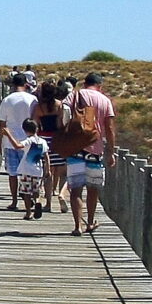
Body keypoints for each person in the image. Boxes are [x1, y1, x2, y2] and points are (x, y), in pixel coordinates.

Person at [65, 72, 119, 234]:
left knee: (76, 189)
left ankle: (77, 226)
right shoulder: (105, 100)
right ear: (100, 85)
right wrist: (111, 151)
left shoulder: (74, 96)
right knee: (93, 188)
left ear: (84, 83)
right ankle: (89, 222)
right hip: (95, 149)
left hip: (75, 148)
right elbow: (109, 128)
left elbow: (63, 113)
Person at [0, 72, 39, 209]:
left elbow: (2, 123)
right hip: (30, 141)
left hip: (11, 141)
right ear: (26, 84)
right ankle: (32, 199)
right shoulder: (33, 99)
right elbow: (36, 120)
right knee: (31, 173)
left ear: (13, 85)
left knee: (12, 174)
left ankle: (14, 201)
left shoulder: (7, 100)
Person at [39, 77, 80, 211]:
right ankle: (62, 194)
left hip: (44, 139)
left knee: (48, 172)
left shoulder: (39, 107)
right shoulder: (60, 105)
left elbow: (35, 123)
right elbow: (62, 123)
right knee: (63, 172)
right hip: (58, 138)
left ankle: (48, 203)